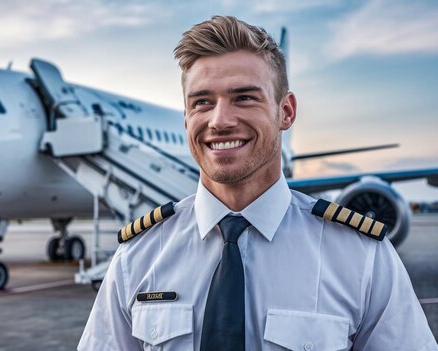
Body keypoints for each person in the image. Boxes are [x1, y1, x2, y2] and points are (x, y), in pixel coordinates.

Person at [78, 16, 436, 350]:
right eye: (202, 102)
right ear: (186, 119)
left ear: (286, 112)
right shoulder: (137, 255)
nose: (219, 121)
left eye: (244, 98)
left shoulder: (360, 256)